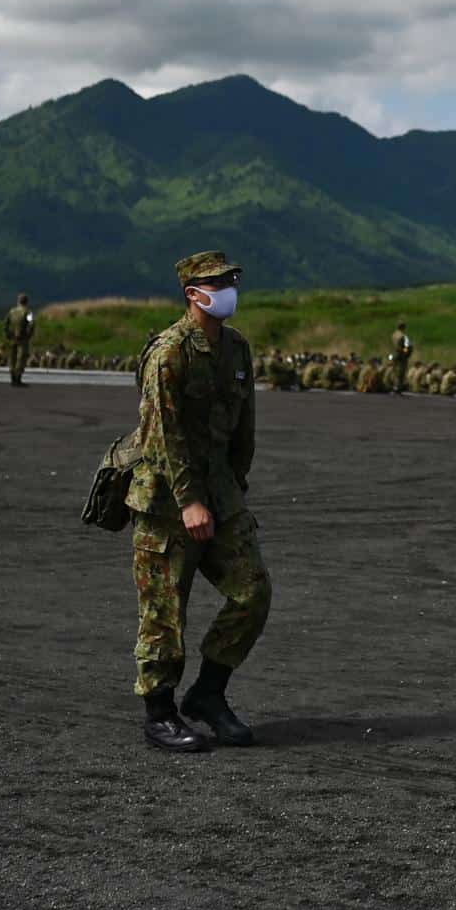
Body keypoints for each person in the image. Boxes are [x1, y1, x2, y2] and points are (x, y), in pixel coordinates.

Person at [123, 251, 272, 753]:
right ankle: (159, 712)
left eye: (231, 279)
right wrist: (188, 499)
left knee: (252, 592)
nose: (229, 288)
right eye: (218, 282)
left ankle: (208, 693)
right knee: (165, 610)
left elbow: (243, 426)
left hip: (221, 494)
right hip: (169, 500)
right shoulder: (169, 352)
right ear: (193, 294)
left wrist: (235, 488)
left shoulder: (236, 349)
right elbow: (162, 435)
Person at [3, 294, 36, 387]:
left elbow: (6, 323)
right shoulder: (28, 312)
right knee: (21, 358)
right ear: (26, 301)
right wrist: (29, 335)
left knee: (12, 357)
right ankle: (18, 378)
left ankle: (12, 377)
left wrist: (8, 334)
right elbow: (32, 324)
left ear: (18, 301)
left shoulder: (12, 311)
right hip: (23, 338)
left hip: (13, 337)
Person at [390, 321, 415, 394]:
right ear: (403, 327)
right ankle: (398, 387)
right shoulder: (404, 336)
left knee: (394, 370)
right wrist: (406, 352)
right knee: (401, 371)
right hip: (401, 355)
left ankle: (394, 385)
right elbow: (407, 347)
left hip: (394, 354)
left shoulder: (394, 335)